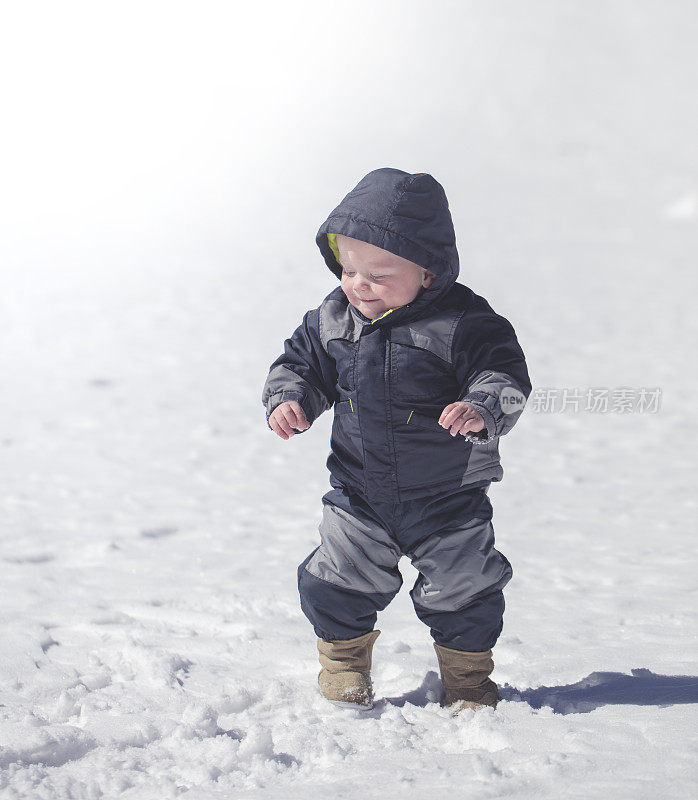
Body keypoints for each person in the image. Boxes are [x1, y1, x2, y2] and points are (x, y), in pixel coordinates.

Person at [261, 167, 531, 714]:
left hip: (448, 495)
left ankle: (469, 678)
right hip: (361, 491)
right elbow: (301, 366)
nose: (359, 284)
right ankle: (343, 665)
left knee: (468, 591)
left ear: (428, 273)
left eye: (379, 275)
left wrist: (482, 407)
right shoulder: (332, 320)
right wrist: (292, 398)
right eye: (348, 268)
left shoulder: (465, 324)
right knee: (335, 583)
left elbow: (504, 376)